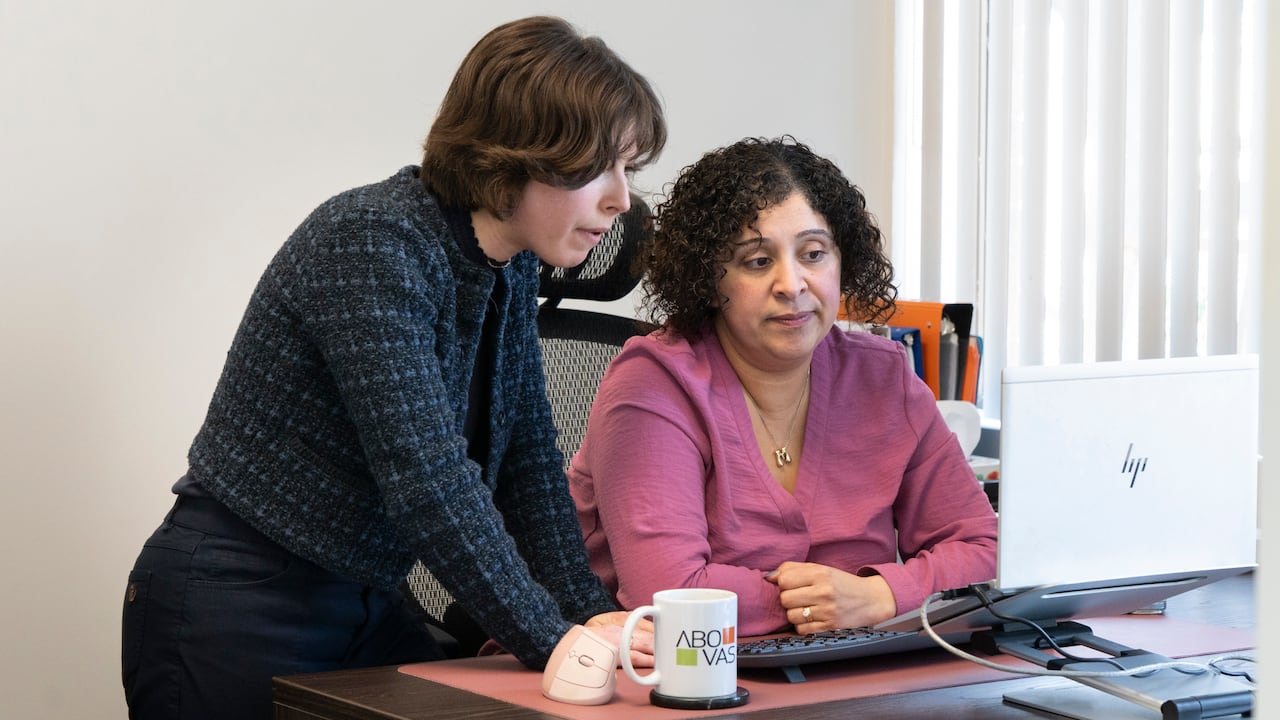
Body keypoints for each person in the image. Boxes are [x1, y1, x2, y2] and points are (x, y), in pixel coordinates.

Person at [121, 16, 666, 720]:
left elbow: (530, 467)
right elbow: (427, 479)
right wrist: (552, 638)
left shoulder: (507, 266)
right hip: (236, 602)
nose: (622, 199)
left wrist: (592, 618)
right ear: (517, 154)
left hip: (362, 601)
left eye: (629, 169)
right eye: (601, 167)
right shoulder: (373, 244)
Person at [568, 136, 996, 637]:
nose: (791, 284)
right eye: (757, 261)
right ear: (710, 278)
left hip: (843, 677)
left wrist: (880, 595)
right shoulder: (654, 385)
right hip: (643, 680)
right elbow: (670, 593)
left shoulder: (884, 377)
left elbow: (984, 551)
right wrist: (831, 606)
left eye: (813, 254)